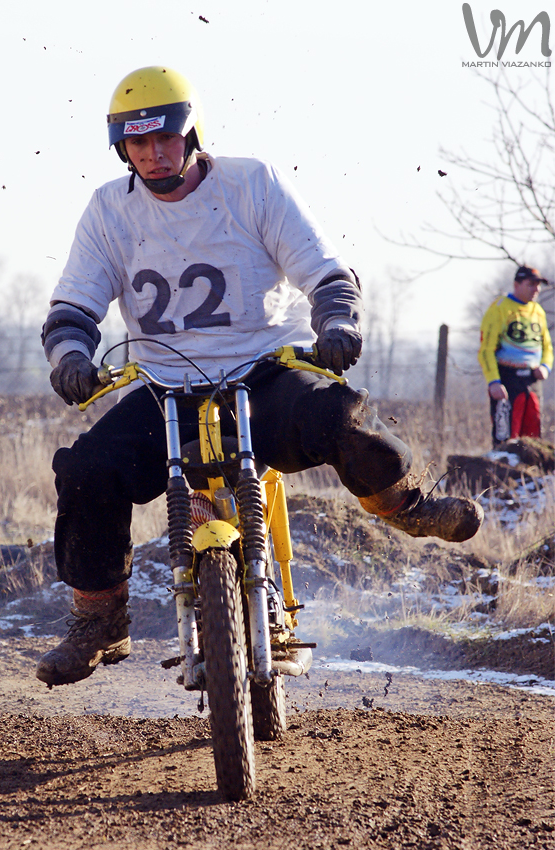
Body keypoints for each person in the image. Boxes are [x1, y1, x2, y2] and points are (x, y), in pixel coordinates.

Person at [36, 66, 483, 687]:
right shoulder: (110, 211)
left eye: (165, 138)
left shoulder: (252, 183)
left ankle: (405, 503)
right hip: (167, 386)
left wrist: (337, 324)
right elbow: (73, 306)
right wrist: (71, 359)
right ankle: (99, 618)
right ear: (123, 148)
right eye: (139, 144)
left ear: (191, 133)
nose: (154, 154)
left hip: (264, 373)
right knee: (85, 471)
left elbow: (324, 269)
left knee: (342, 418)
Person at [478, 266, 553, 447]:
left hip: (532, 380)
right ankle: (503, 470)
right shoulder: (500, 308)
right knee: (506, 435)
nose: (536, 289)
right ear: (516, 284)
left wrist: (545, 366)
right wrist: (494, 381)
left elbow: (547, 347)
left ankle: (531, 473)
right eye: (531, 284)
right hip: (507, 377)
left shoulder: (538, 311)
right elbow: (486, 350)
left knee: (533, 435)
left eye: (538, 285)